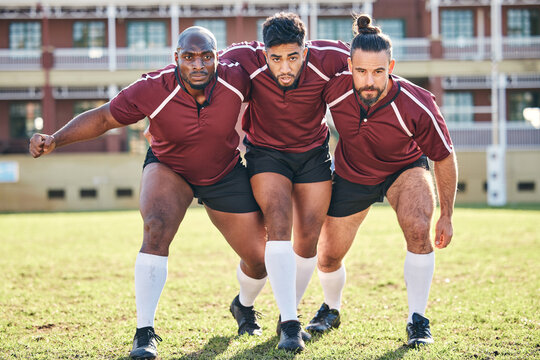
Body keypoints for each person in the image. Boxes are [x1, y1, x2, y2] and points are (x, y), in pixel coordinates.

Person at [29, 27, 269, 360]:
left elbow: (282, 53)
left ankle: (243, 307)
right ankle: (144, 332)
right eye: (189, 57)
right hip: (170, 167)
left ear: (217, 56)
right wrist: (55, 139)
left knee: (260, 259)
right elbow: (102, 119)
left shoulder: (237, 77)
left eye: (206, 56)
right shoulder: (152, 88)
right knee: (155, 227)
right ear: (176, 59)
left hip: (223, 172)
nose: (198, 65)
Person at [305, 14, 457, 348]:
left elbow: (444, 156)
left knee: (419, 228)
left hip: (404, 169)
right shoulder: (334, 90)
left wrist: (446, 213)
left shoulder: (417, 102)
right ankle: (331, 309)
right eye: (360, 71)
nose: (369, 81)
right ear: (349, 65)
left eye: (378, 71)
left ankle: (417, 319)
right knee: (327, 256)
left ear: (391, 65)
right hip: (352, 173)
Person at [219, 12, 349, 352]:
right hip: (267, 153)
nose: (285, 67)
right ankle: (290, 324)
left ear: (305, 51)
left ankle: (263, 310)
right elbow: (198, 72)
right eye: (275, 59)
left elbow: (371, 65)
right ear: (264, 53)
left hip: (312, 154)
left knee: (308, 236)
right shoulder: (243, 58)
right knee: (278, 221)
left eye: (293, 57)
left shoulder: (330, 57)